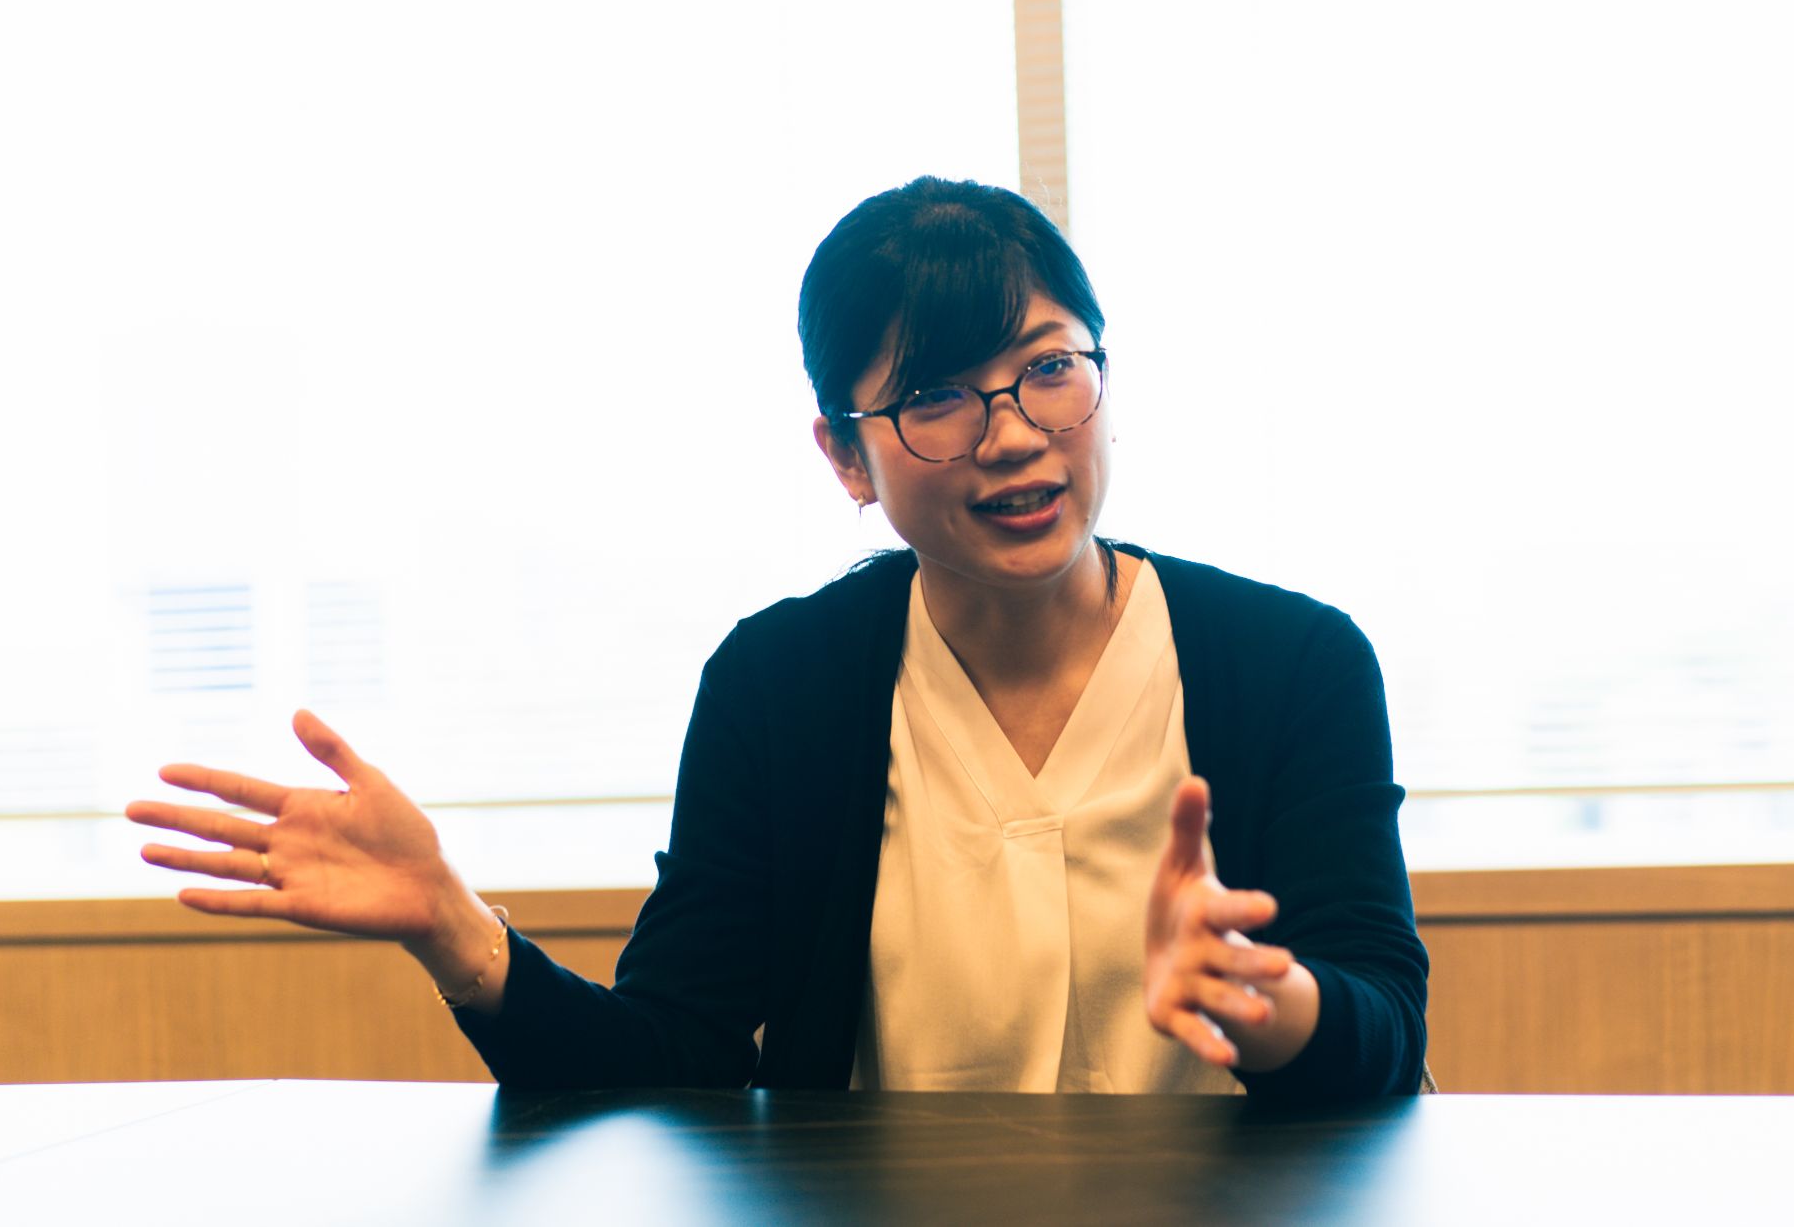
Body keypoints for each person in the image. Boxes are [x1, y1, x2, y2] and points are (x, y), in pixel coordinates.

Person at [127, 177, 1429, 1100]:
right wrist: (457, 932)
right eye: (935, 395)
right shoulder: (783, 687)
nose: (1014, 433)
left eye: (1049, 367)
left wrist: (1274, 1006)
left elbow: (1387, 1028)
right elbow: (675, 1055)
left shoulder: (1294, 665)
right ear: (845, 456)